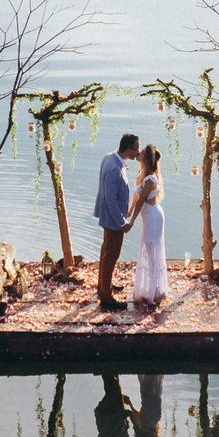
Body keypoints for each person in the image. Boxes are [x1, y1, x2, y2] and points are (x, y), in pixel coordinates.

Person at [92, 132, 141, 310]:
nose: (138, 152)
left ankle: (105, 286)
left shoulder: (109, 157)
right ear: (128, 150)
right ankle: (106, 298)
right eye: (136, 149)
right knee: (110, 256)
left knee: (106, 253)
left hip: (109, 216)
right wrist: (121, 222)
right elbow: (111, 199)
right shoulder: (114, 168)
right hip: (113, 220)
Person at [132, 143, 168, 307]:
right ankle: (150, 288)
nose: (138, 153)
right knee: (148, 249)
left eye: (142, 152)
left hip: (153, 216)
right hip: (148, 216)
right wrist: (128, 212)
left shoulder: (151, 178)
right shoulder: (142, 174)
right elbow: (135, 197)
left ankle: (154, 290)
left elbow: (141, 201)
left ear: (146, 158)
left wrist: (131, 221)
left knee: (152, 250)